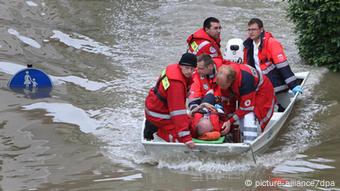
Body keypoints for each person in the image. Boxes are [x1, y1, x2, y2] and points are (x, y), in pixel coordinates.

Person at [144, 53, 197, 149]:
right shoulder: (176, 83)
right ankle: (160, 133)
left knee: (190, 123)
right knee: (184, 136)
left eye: (192, 69)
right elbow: (177, 112)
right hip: (159, 115)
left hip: (154, 107)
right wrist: (186, 138)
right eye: (186, 68)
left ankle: (152, 129)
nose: (189, 71)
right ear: (180, 66)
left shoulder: (172, 68)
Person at [216, 64, 275, 143]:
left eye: (223, 85)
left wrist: (230, 121)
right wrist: (228, 120)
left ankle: (250, 141)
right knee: (240, 116)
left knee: (249, 115)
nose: (221, 88)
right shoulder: (225, 79)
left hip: (262, 91)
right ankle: (242, 138)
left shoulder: (246, 79)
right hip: (244, 91)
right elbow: (228, 102)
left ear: (230, 81)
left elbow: (246, 108)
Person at [243, 18, 302, 95]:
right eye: (249, 30)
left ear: (261, 30)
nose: (251, 32)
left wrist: (293, 85)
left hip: (276, 83)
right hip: (260, 83)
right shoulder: (248, 46)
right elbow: (246, 67)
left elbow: (283, 66)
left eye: (253, 29)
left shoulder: (272, 43)